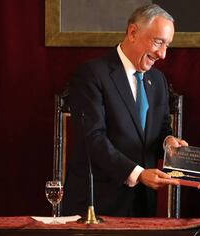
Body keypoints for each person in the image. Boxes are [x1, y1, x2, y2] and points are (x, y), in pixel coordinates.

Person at [62, 4, 188, 217]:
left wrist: (169, 143)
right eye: (158, 42)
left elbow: (160, 129)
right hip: (97, 204)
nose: (163, 54)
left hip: (142, 205)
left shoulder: (157, 80)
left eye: (167, 45)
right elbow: (93, 138)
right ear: (132, 32)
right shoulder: (92, 74)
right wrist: (138, 174)